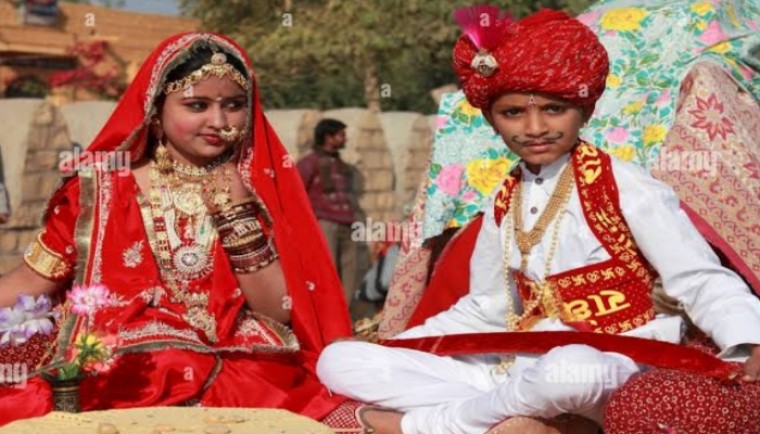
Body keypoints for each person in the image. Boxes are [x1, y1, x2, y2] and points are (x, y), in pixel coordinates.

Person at [315, 8, 760, 434]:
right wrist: (401, 347)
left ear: (584, 111)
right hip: (519, 364)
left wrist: (751, 339)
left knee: (570, 369)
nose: (534, 128)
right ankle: (521, 418)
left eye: (552, 110)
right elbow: (485, 308)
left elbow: (699, 279)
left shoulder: (625, 185)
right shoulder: (503, 199)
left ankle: (425, 425)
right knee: (340, 361)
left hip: (614, 362)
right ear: (492, 120)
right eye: (513, 113)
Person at [0, 32, 351, 424]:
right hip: (126, 367)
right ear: (154, 110)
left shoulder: (256, 191)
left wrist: (234, 213)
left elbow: (276, 310)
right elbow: (32, 280)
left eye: (234, 105)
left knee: (343, 412)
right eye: (197, 105)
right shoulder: (99, 189)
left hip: (233, 367)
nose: (219, 122)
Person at [297, 119, 364, 318]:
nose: (345, 139)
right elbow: (297, 193)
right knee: (328, 272)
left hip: (347, 223)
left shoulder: (341, 164)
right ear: (329, 137)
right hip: (325, 223)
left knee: (350, 273)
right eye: (341, 135)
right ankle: (327, 317)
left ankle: (344, 316)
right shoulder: (309, 163)